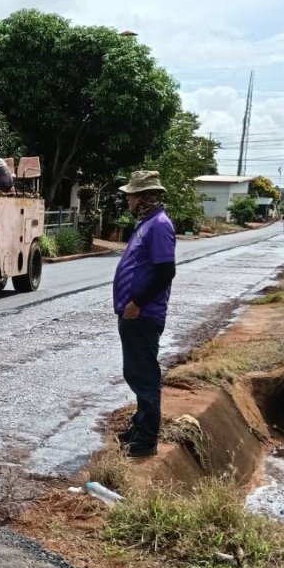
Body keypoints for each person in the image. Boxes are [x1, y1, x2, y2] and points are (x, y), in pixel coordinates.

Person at [112, 170, 176, 458]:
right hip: (134, 313)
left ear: (143, 197)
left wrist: (137, 302)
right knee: (135, 372)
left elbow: (165, 271)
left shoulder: (159, 225)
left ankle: (146, 439)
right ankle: (139, 426)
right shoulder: (146, 224)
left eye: (131, 196)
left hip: (143, 314)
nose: (128, 200)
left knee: (144, 375)